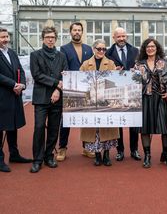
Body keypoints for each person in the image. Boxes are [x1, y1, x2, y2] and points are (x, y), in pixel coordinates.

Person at [29, 26, 68, 173]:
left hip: (57, 97)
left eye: (52, 37)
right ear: (43, 39)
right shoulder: (35, 55)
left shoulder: (61, 56)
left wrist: (58, 90)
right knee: (39, 128)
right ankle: (37, 160)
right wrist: (55, 83)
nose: (50, 40)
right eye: (47, 37)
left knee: (53, 129)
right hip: (41, 98)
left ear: (55, 39)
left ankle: (49, 156)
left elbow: (65, 74)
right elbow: (37, 75)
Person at [56, 22, 94, 161]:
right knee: (66, 119)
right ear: (70, 32)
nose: (77, 32)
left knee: (86, 119)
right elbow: (64, 67)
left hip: (86, 88)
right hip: (70, 88)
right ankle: (62, 148)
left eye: (79, 30)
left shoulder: (88, 49)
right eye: (74, 30)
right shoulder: (64, 49)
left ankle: (87, 147)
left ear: (82, 32)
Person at [79, 39, 119, 166]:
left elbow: (114, 81)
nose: (102, 51)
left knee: (107, 127)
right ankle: (97, 155)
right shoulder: (86, 64)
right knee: (94, 129)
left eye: (104, 49)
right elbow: (79, 80)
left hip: (105, 101)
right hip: (91, 102)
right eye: (99, 49)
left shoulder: (111, 63)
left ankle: (106, 155)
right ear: (93, 49)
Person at [135, 37, 167, 168]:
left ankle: (166, 154)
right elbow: (133, 80)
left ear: (157, 49)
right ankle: (147, 155)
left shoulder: (164, 62)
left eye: (153, 47)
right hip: (145, 98)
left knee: (166, 128)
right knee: (145, 128)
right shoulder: (139, 64)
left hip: (160, 98)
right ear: (145, 49)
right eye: (148, 47)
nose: (150, 49)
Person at [105, 27, 141, 161]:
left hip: (133, 90)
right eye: (119, 37)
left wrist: (136, 69)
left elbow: (140, 66)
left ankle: (134, 149)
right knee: (118, 121)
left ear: (127, 37)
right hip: (118, 90)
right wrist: (113, 70)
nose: (121, 39)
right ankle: (120, 150)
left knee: (134, 121)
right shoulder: (108, 53)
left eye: (123, 36)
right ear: (114, 38)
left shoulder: (135, 51)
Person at [0, 27, 31, 172]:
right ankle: (0, 159)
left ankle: (14, 154)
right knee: (0, 128)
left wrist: (22, 84)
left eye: (6, 36)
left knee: (13, 125)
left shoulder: (11, 53)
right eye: (2, 37)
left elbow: (20, 70)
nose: (5, 39)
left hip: (15, 95)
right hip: (2, 97)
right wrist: (13, 84)